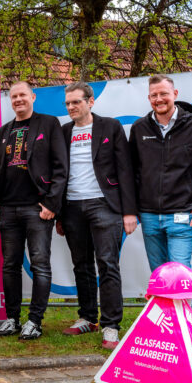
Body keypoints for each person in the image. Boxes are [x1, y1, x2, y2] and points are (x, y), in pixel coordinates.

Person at [57, 81, 137, 350]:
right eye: (68, 103)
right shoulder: (63, 131)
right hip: (71, 206)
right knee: (81, 265)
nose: (71, 107)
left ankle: (111, 325)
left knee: (107, 264)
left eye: (76, 102)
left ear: (90, 102)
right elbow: (58, 173)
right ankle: (88, 318)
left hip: (105, 205)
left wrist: (129, 212)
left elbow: (125, 170)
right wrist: (58, 213)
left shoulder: (110, 127)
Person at [0, 81, 67, 340]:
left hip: (37, 209)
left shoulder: (49, 124)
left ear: (33, 97)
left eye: (23, 95)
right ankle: (12, 318)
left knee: (40, 265)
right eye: (14, 96)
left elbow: (60, 168)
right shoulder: (3, 131)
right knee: (10, 266)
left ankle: (35, 321)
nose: (18, 99)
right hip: (8, 210)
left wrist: (52, 205)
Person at [129, 75, 192, 271]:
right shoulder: (139, 128)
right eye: (154, 95)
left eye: (163, 94)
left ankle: (184, 304)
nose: (159, 99)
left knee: (180, 274)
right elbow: (131, 171)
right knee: (159, 275)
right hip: (148, 215)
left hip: (182, 213)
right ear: (149, 98)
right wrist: (134, 207)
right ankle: (163, 304)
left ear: (174, 94)